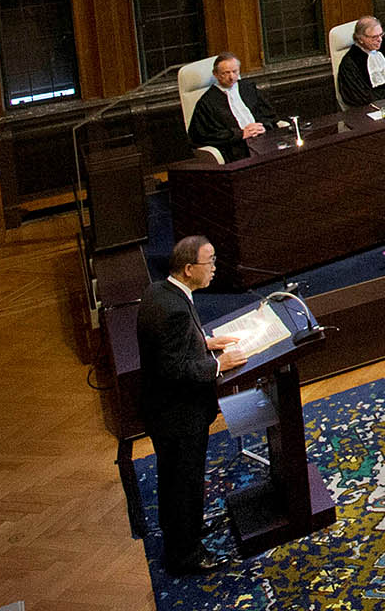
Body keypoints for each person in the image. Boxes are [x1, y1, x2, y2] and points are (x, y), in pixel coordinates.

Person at [137, 235, 243, 576]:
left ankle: (184, 534)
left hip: (161, 411)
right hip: (178, 416)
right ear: (188, 269)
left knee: (175, 481)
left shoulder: (160, 291)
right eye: (208, 262)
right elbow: (173, 370)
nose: (214, 268)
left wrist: (204, 341)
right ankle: (185, 555)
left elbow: (167, 348)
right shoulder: (172, 310)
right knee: (184, 483)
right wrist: (217, 365)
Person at [185, 51, 277, 161]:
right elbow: (203, 135)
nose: (231, 77)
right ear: (216, 74)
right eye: (226, 73)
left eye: (235, 71)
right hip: (237, 147)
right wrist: (240, 134)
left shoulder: (248, 88)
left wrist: (262, 126)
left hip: (263, 138)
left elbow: (269, 114)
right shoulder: (207, 102)